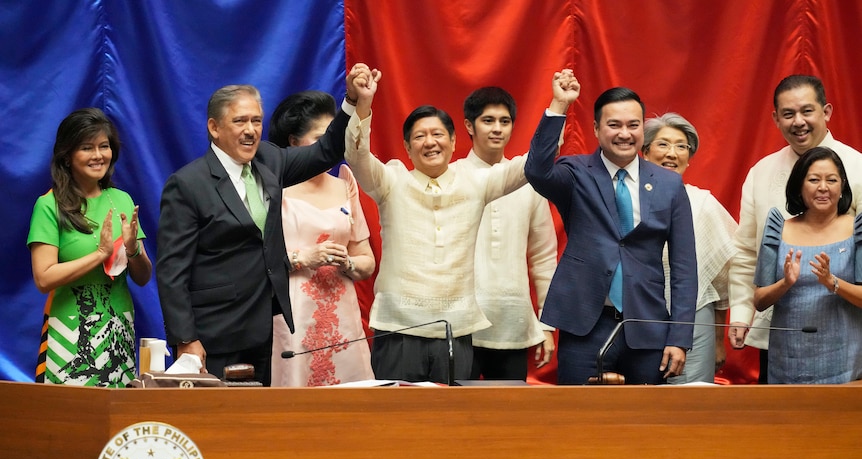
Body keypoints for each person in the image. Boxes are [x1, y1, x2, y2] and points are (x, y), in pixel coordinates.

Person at [156, 63, 375, 385]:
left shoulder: (270, 161)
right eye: (240, 121)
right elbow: (172, 270)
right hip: (214, 329)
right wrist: (186, 338)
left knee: (255, 422)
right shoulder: (188, 184)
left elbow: (327, 150)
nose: (250, 130)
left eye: (256, 121)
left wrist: (352, 102)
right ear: (215, 128)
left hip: (263, 328)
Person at [345, 72, 569, 384]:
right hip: (398, 327)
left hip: (458, 329)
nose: (430, 142)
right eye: (419, 136)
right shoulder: (391, 182)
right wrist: (363, 104)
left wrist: (558, 104)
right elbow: (356, 156)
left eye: (437, 134)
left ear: (453, 142)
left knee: (452, 424)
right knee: (397, 423)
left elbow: (534, 164)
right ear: (407, 148)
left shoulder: (477, 183)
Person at [524, 70, 697, 385]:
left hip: (648, 325)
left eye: (633, 125)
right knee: (580, 422)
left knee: (646, 423)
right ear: (596, 128)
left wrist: (680, 336)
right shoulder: (575, 172)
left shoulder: (670, 185)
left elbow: (685, 268)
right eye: (614, 125)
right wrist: (559, 106)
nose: (624, 134)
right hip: (585, 325)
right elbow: (536, 170)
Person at [728, 75, 862, 382]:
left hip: (849, 334)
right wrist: (739, 312)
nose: (798, 121)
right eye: (788, 114)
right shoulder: (761, 173)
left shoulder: (857, 168)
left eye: (807, 111)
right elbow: (746, 251)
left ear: (826, 111)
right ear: (776, 119)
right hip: (780, 333)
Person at [27, 108, 152, 387]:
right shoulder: (49, 205)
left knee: (118, 421)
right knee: (71, 422)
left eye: (104, 146)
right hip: (69, 331)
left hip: (119, 328)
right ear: (67, 156)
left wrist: (133, 251)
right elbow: (43, 278)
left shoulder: (121, 199)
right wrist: (99, 255)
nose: (98, 155)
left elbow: (143, 278)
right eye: (87, 148)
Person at [267, 90, 376, 387]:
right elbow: (253, 260)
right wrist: (303, 257)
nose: (329, 148)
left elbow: (367, 261)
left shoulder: (344, 183)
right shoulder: (273, 186)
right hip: (293, 310)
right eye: (320, 139)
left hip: (342, 313)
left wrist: (348, 263)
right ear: (293, 143)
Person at [458, 86, 557, 380]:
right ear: (469, 125)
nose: (497, 129)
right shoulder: (450, 177)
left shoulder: (529, 182)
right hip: (460, 324)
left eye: (505, 121)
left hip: (513, 323)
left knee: (509, 420)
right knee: (454, 419)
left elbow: (543, 257)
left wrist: (546, 325)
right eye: (488, 120)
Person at [752, 147, 862, 383]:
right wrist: (785, 283)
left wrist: (833, 283)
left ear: (842, 186)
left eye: (831, 180)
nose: (823, 187)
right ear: (799, 186)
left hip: (845, 360)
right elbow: (759, 301)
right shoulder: (778, 230)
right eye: (814, 180)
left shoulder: (857, 230)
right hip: (788, 360)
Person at [643, 113, 738, 383]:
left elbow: (722, 279)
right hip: (638, 318)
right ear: (645, 152)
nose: (672, 154)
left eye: (681, 146)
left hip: (695, 321)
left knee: (692, 409)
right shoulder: (628, 200)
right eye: (663, 144)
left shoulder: (703, 203)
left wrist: (719, 340)